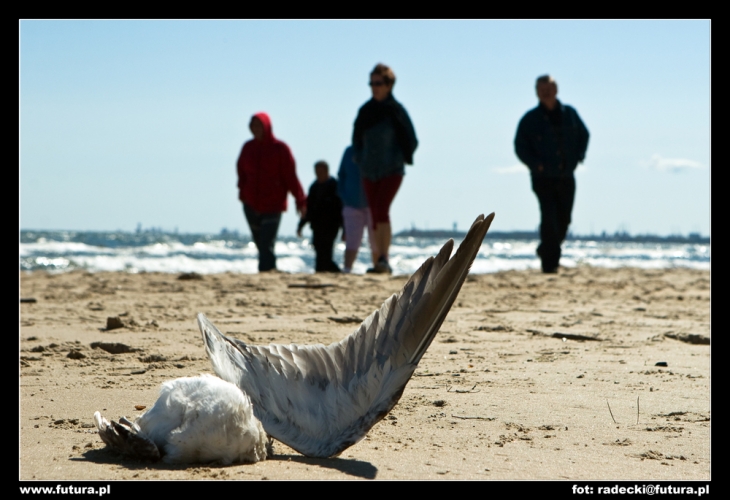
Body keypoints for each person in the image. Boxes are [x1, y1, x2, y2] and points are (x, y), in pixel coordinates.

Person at [514, 75, 589, 274]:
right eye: (542, 89)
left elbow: (584, 134)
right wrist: (535, 164)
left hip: (566, 175)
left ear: (556, 89)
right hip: (542, 178)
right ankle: (550, 265)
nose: (546, 93)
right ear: (536, 92)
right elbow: (520, 146)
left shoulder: (570, 114)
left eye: (549, 89)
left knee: (564, 220)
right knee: (549, 218)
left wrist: (579, 156)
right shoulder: (530, 119)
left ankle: (545, 250)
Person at [352, 63, 418, 274]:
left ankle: (383, 257)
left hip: (392, 170)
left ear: (389, 85)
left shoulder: (397, 111)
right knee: (374, 212)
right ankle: (378, 260)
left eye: (378, 83)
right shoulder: (365, 111)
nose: (374, 87)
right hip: (369, 171)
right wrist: (360, 160)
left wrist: (398, 159)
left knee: (382, 209)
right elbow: (356, 140)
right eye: (371, 83)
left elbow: (412, 141)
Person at [236, 112, 307, 272]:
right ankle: (269, 270)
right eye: (253, 125)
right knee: (260, 243)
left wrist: (300, 200)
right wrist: (242, 191)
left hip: (273, 204)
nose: (256, 129)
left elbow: (291, 176)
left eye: (259, 125)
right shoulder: (248, 148)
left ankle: (266, 271)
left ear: (267, 126)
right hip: (251, 203)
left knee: (266, 242)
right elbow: (241, 171)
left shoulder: (280, 149)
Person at [336, 145, 378, 273]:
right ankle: (347, 269)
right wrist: (344, 196)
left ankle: (379, 268)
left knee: (376, 241)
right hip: (352, 204)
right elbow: (341, 175)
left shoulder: (376, 150)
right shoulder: (349, 152)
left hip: (374, 204)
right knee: (351, 240)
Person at [297, 161, 343, 273]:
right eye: (316, 171)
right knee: (318, 250)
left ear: (327, 171)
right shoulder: (314, 187)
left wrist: (345, 229)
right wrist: (300, 225)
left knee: (326, 252)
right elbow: (309, 208)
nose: (318, 174)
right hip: (317, 226)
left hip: (331, 226)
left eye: (320, 171)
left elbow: (340, 209)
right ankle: (320, 272)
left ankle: (335, 272)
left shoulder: (334, 185)